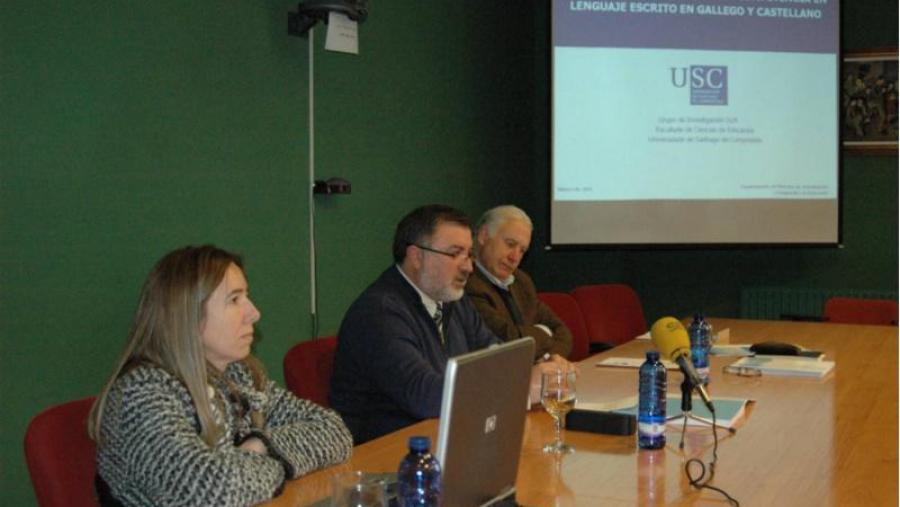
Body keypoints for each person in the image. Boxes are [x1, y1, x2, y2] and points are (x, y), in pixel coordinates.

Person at [88, 245, 352, 507]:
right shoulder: (140, 397)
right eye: (234, 300)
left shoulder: (238, 376)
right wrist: (280, 458)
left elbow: (335, 432)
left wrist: (260, 446)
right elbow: (214, 493)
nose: (254, 313)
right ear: (188, 316)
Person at [330, 205, 568, 444]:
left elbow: (495, 355)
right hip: (386, 458)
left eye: (468, 254)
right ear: (417, 257)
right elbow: (427, 396)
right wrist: (523, 388)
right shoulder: (379, 313)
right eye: (455, 254)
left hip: (446, 438)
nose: (468, 267)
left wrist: (541, 368)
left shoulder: (453, 300)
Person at [466, 205, 573, 360]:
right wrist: (545, 333)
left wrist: (550, 358)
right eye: (510, 244)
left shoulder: (521, 281)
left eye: (522, 250)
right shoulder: (467, 282)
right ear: (483, 236)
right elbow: (508, 341)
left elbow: (563, 332)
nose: (515, 257)